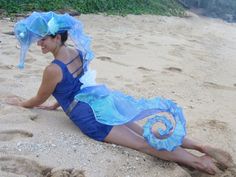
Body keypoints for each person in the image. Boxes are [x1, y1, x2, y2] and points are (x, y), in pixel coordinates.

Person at [6, 12, 233, 175]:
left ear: (57, 37)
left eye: (43, 39)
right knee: (146, 131)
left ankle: (200, 164)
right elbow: (73, 85)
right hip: (102, 99)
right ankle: (200, 146)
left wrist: (22, 103)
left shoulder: (52, 69)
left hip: (89, 115)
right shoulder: (76, 52)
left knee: (142, 144)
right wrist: (55, 105)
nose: (39, 45)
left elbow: (38, 98)